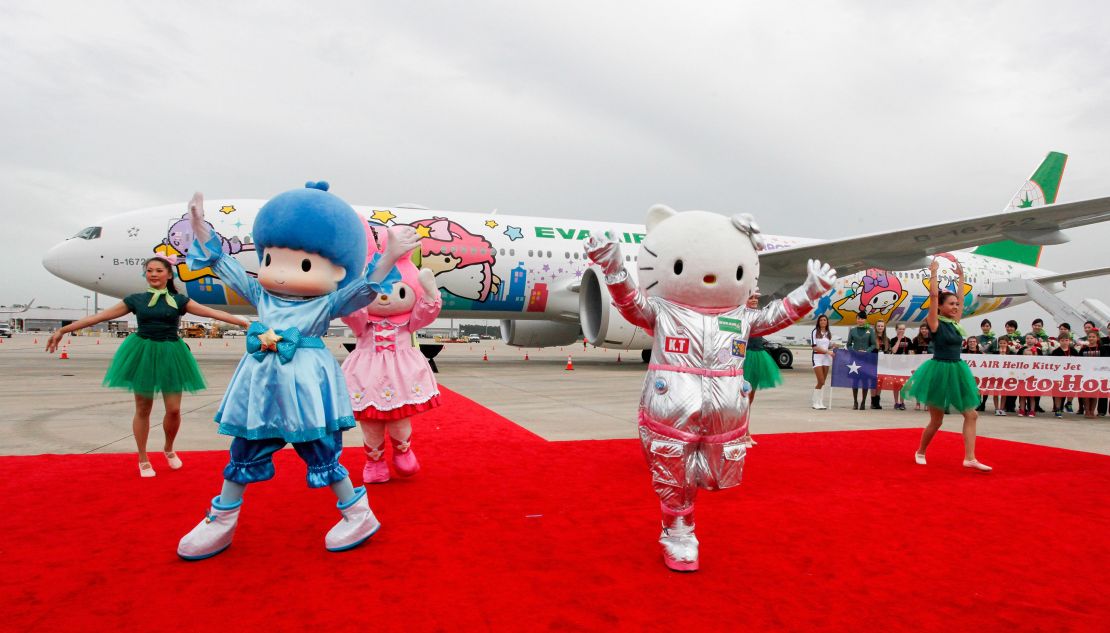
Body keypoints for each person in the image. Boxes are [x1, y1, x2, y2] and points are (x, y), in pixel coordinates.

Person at [176, 186, 419, 560]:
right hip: (261, 391)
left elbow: (363, 289)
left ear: (337, 270)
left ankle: (358, 515)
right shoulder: (262, 296)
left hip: (305, 389)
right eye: (271, 258)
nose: (283, 274)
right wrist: (199, 228)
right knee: (245, 446)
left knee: (319, 449)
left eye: (304, 265)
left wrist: (389, 257)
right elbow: (223, 265)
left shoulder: (328, 302)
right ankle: (222, 521)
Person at [45, 256, 248, 477]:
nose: (153, 274)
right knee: (143, 408)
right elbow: (99, 317)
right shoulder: (136, 300)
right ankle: (143, 458)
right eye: (149, 271)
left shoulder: (179, 301)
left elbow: (213, 313)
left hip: (171, 352)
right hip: (142, 352)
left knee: (174, 409)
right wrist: (63, 330)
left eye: (158, 270)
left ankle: (169, 448)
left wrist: (247, 323)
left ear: (169, 274)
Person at [341, 229, 443, 483]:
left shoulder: (406, 321)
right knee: (370, 420)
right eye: (378, 293)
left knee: (399, 417)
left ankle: (403, 452)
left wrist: (431, 294)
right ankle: (374, 462)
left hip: (400, 372)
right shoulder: (363, 319)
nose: (385, 299)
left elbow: (423, 316)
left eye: (398, 292)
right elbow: (351, 314)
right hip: (367, 372)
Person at [902, 257, 990, 472]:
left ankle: (970, 458)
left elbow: (962, 297)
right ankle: (921, 450)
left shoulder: (956, 322)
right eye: (950, 304)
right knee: (937, 420)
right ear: (940, 307)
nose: (955, 306)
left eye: (956, 305)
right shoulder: (935, 322)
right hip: (939, 371)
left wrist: (961, 278)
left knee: (972, 414)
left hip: (957, 369)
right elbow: (933, 296)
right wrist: (933, 273)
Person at [741, 291, 783, 446]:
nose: (754, 301)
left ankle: (746, 431)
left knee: (750, 398)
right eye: (750, 298)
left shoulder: (759, 314)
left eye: (755, 298)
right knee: (743, 397)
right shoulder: (740, 315)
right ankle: (743, 433)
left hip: (759, 356)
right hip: (746, 356)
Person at [845, 311, 877, 410]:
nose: (860, 320)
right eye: (858, 318)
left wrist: (866, 351)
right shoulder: (853, 330)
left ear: (865, 319)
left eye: (862, 319)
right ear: (856, 319)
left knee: (865, 381)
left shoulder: (870, 330)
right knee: (855, 381)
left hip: (866, 359)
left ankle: (863, 402)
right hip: (855, 359)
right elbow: (849, 344)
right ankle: (855, 402)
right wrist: (853, 351)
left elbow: (873, 344)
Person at [1079, 331, 1108, 419]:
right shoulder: (1083, 349)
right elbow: (1078, 360)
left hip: (1097, 374)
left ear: (1097, 338)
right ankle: (1087, 411)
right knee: (1086, 393)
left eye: (1093, 337)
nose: (1091, 338)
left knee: (1095, 393)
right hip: (1085, 374)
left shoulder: (1102, 349)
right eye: (1090, 337)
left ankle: (1092, 411)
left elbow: (1105, 361)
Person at [1051, 334, 1080, 418]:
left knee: (1072, 389)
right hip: (1058, 375)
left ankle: (1069, 403)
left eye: (1066, 340)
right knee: (1058, 393)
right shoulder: (1055, 352)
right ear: (1059, 341)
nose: (1064, 342)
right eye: (1062, 340)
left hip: (1071, 375)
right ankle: (1058, 409)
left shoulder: (1074, 351)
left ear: (1069, 341)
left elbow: (1079, 362)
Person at [810, 314, 834, 410]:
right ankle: (815, 402)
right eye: (821, 320)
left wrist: (833, 346)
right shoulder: (814, 331)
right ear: (818, 322)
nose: (823, 322)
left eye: (825, 320)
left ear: (827, 322)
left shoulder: (828, 333)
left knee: (823, 382)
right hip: (817, 357)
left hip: (826, 358)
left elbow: (827, 345)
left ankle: (820, 402)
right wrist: (827, 351)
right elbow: (814, 346)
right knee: (821, 380)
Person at [1017, 333, 1043, 417]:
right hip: (1023, 374)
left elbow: (1042, 363)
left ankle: (1032, 410)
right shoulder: (1022, 350)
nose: (1029, 340)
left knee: (1032, 394)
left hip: (1033, 375)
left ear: (1035, 339)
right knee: (1022, 394)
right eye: (1027, 338)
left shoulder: (1038, 350)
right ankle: (1022, 409)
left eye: (1031, 338)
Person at [889, 323, 911, 410]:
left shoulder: (908, 340)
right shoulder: (893, 339)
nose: (901, 330)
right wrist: (899, 339)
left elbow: (911, 352)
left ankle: (902, 402)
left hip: (905, 365)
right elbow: (894, 351)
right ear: (896, 330)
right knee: (896, 385)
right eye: (900, 329)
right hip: (896, 365)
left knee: (903, 385)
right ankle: (896, 402)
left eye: (903, 329)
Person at [869, 320, 890, 409]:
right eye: (878, 326)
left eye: (882, 326)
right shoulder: (872, 338)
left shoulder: (887, 339)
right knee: (873, 383)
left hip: (882, 364)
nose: (880, 328)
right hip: (872, 363)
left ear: (884, 328)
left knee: (880, 383)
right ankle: (873, 402)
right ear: (876, 327)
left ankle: (877, 401)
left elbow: (888, 351)